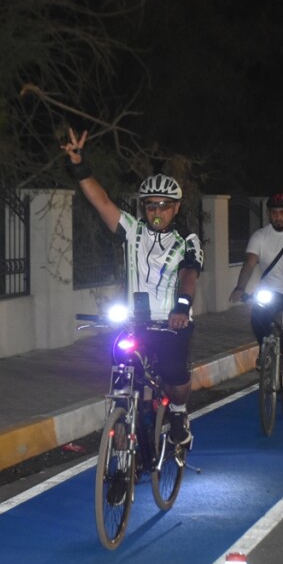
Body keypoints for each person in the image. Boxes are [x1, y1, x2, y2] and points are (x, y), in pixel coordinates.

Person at [61, 128, 202, 446]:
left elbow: (189, 274)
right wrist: (80, 165)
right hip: (134, 322)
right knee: (123, 368)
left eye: (164, 205)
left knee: (174, 375)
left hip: (171, 324)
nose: (156, 212)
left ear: (176, 208)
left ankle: (178, 412)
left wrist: (181, 308)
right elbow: (101, 201)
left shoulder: (187, 240)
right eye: (151, 206)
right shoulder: (132, 230)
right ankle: (125, 433)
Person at [230, 194, 283, 414]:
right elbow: (249, 263)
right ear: (269, 214)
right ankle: (265, 349)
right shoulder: (260, 236)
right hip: (270, 292)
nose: (278, 217)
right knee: (257, 317)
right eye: (274, 213)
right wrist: (240, 287)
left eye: (282, 212)